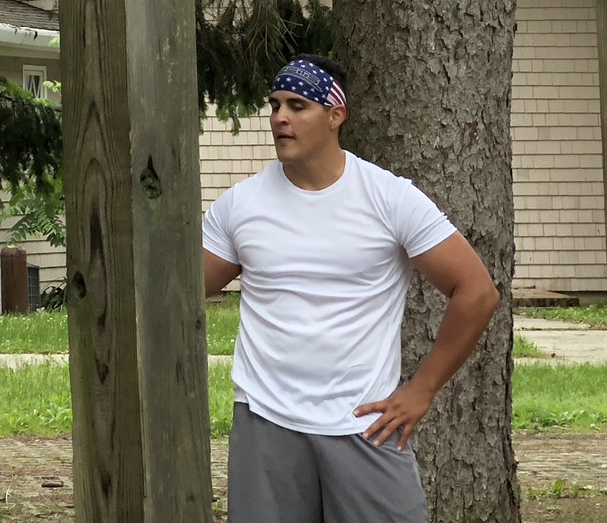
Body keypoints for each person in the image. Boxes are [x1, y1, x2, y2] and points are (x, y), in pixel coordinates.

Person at [202, 56, 502, 523]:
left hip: (363, 423)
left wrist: (421, 389)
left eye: (298, 105)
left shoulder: (388, 197)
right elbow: (180, 293)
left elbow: (477, 291)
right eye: (275, 105)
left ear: (335, 115)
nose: (280, 117)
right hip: (266, 420)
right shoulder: (241, 205)